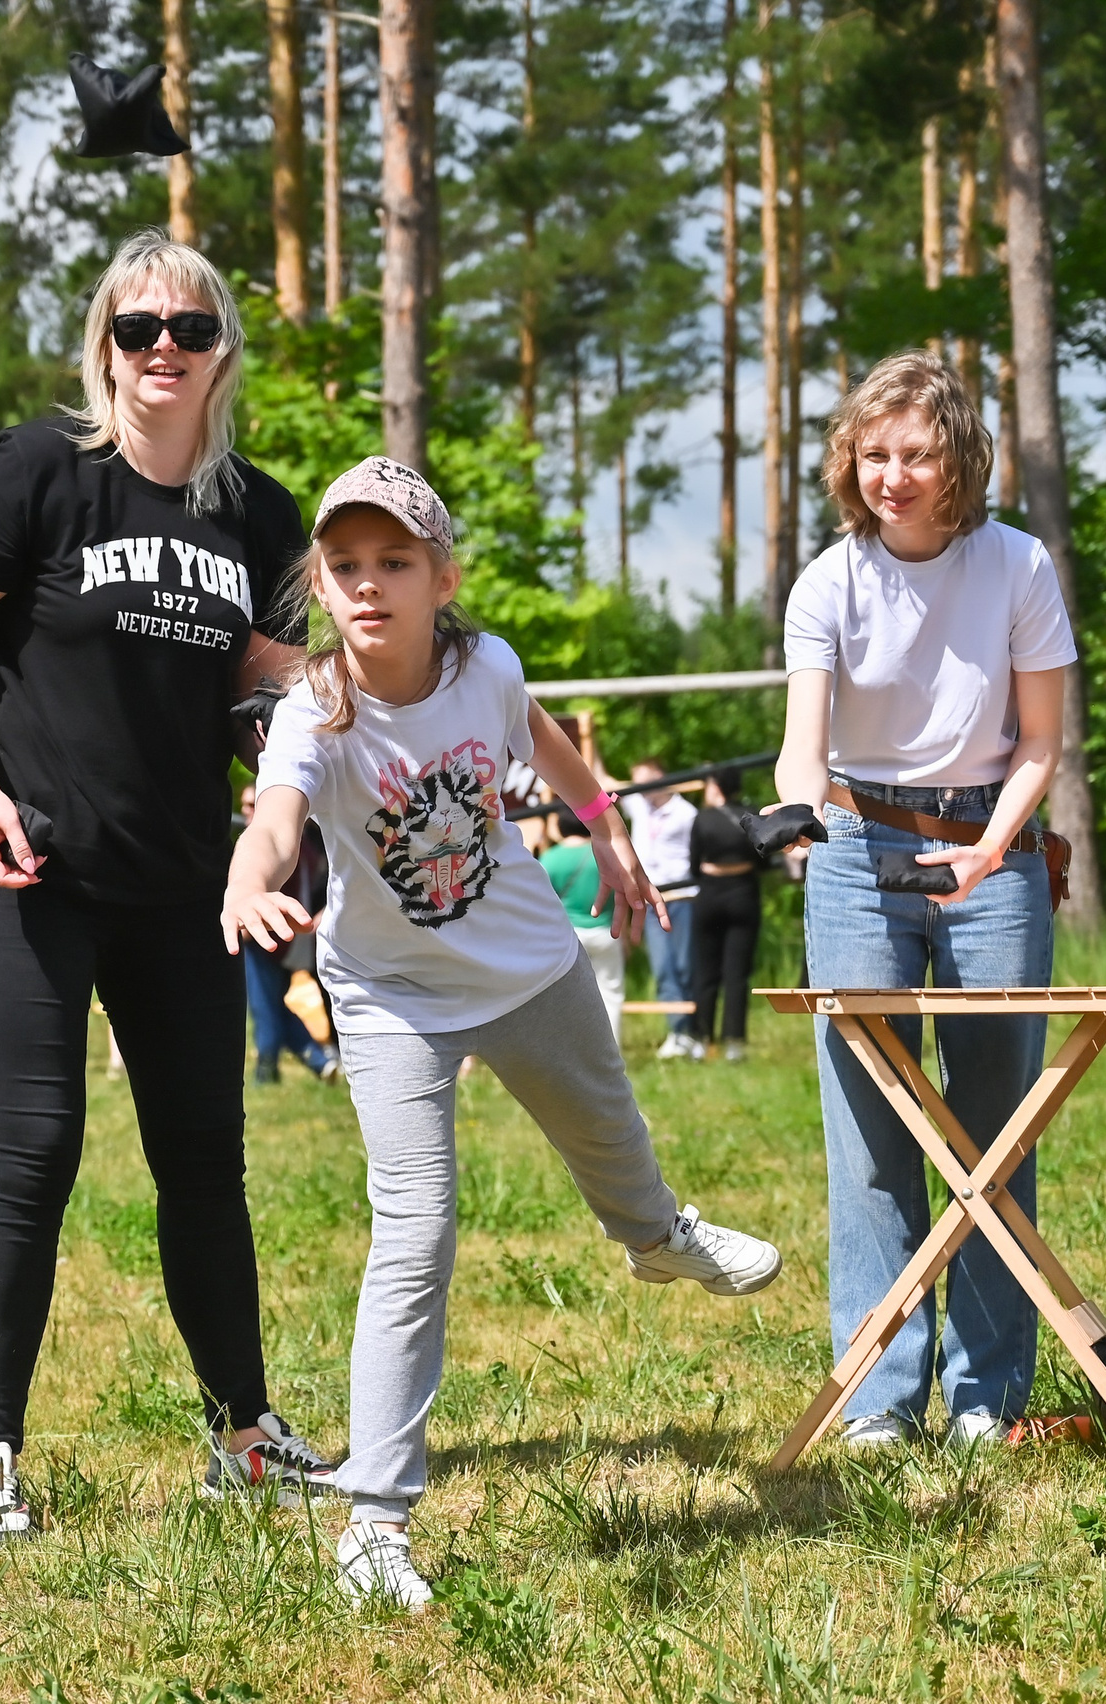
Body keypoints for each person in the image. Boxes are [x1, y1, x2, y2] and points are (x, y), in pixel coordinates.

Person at [224, 457, 782, 1610]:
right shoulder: (314, 711)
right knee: (412, 1236)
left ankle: (656, 1234)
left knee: (614, 1146)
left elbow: (542, 739)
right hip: (387, 996)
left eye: (395, 563)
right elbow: (276, 816)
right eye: (346, 567)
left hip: (529, 969)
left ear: (441, 577)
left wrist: (608, 831)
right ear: (319, 589)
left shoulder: (484, 667)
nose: (369, 585)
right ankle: (374, 1525)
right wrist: (246, 880)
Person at [0, 229, 336, 1556]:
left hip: (182, 881)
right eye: (138, 330)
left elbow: (266, 689)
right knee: (33, 1152)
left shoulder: (256, 511)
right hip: (28, 869)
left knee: (207, 1161)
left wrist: (288, 786)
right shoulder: (40, 473)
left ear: (221, 354)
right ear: (106, 347)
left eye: (189, 331)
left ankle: (245, 1439)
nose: (163, 353)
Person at [768, 348, 1073, 1450]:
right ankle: (881, 1397)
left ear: (958, 460)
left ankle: (987, 1398)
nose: (892, 474)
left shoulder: (1017, 565)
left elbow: (1040, 741)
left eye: (917, 452)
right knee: (872, 1132)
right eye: (874, 452)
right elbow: (804, 753)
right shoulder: (829, 580)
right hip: (858, 846)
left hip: (992, 840)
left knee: (995, 1129)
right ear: (851, 461)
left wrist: (994, 850)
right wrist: (802, 817)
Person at [236, 784, 338, 1083]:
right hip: (279, 938)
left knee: (264, 1006)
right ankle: (320, 1061)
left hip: (272, 937)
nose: (247, 812)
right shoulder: (300, 845)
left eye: (254, 804)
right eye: (245, 806)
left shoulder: (287, 846)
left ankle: (267, 1072)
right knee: (272, 1004)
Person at [621, 761, 701, 1058]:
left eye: (646, 783)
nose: (641, 791)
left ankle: (694, 1033)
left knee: (685, 967)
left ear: (663, 779)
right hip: (650, 900)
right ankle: (677, 1033)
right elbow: (600, 778)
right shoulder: (640, 807)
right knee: (663, 968)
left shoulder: (686, 814)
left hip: (682, 897)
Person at [684, 774, 761, 1062]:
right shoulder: (750, 815)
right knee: (737, 973)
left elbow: (693, 863)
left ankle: (701, 1038)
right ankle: (734, 1043)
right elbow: (762, 857)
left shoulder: (703, 819)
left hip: (710, 895)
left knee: (705, 972)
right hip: (744, 893)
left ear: (715, 788)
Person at [540, 805, 627, 1045]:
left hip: (569, 936)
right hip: (606, 931)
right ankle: (612, 1049)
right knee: (610, 994)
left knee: (567, 998)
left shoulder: (550, 858)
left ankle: (573, 1049)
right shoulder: (604, 854)